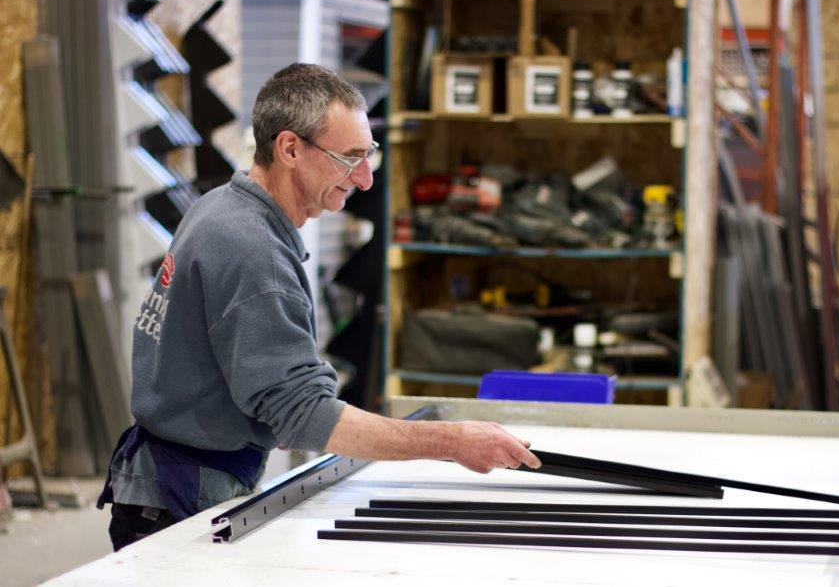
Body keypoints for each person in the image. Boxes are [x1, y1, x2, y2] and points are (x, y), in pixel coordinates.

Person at [98, 63, 541, 550]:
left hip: (166, 476)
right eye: (350, 157)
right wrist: (451, 442)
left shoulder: (220, 205)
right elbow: (302, 415)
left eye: (368, 153)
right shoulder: (252, 249)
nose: (367, 179)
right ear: (290, 148)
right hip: (183, 493)